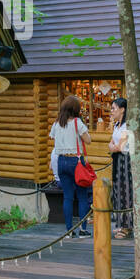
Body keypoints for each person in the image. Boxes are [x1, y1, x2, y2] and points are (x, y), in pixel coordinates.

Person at [49, 95, 93, 237]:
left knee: (67, 197)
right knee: (82, 197)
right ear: (76, 109)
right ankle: (82, 229)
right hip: (76, 162)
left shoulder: (57, 123)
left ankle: (69, 230)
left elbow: (54, 139)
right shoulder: (77, 123)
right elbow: (88, 140)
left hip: (61, 162)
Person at [107, 97, 136, 239]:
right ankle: (120, 224)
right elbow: (111, 144)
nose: (111, 111)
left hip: (126, 161)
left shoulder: (128, 126)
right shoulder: (117, 125)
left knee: (126, 192)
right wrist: (113, 147)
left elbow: (120, 146)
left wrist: (114, 147)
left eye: (114, 108)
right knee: (118, 191)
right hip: (117, 160)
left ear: (122, 109)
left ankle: (126, 226)